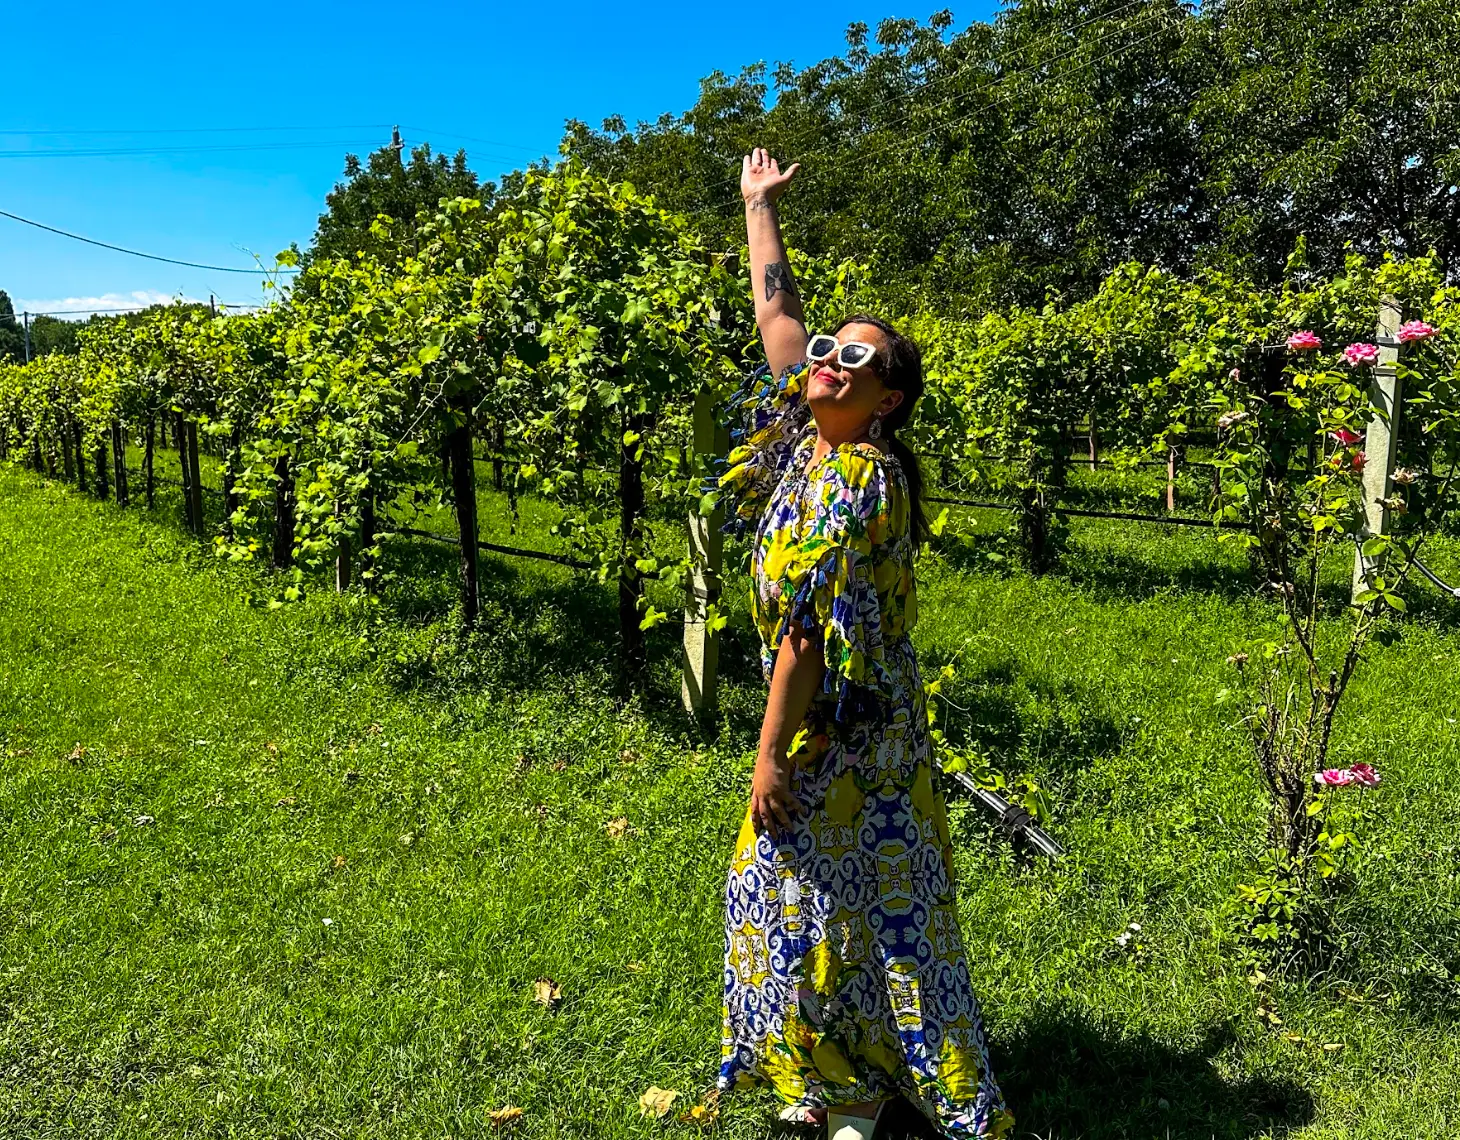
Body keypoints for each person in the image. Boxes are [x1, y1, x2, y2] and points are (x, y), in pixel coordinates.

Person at [714, 149, 1014, 1140]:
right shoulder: (811, 437)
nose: (830, 360)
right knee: (842, 906)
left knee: (788, 896)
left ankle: (860, 1083)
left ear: (885, 398)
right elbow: (775, 317)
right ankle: (843, 1087)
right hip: (860, 724)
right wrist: (758, 207)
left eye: (857, 359)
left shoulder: (856, 476)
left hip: (840, 727)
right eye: (831, 349)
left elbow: (802, 633)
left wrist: (765, 751)